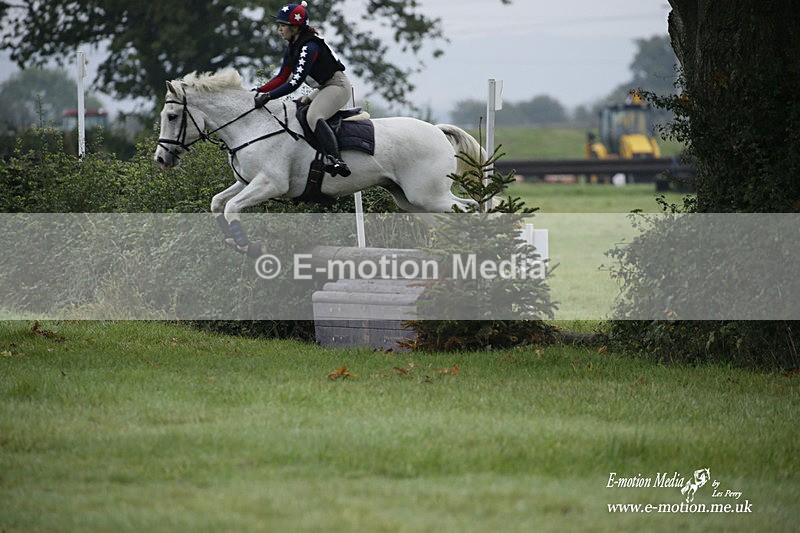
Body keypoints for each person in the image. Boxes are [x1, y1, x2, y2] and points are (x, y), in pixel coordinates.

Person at [254, 1, 352, 177]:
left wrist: (268, 96)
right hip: (323, 87)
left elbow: (295, 83)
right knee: (295, 108)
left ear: (295, 28)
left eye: (283, 25)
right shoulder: (293, 47)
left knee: (313, 116)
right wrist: (258, 90)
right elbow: (282, 77)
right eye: (280, 25)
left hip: (337, 86)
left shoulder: (309, 47)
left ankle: (337, 160)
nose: (279, 29)